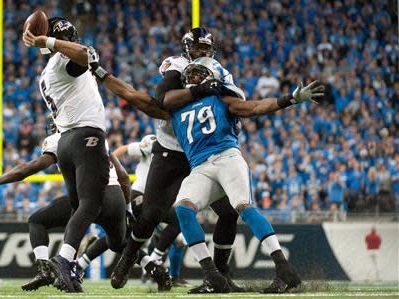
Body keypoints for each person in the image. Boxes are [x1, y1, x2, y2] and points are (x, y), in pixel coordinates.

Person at [162, 57, 323, 293]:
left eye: (198, 73)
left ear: (211, 77)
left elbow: (255, 107)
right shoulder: (175, 105)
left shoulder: (220, 97)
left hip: (227, 157)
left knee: (243, 207)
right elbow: (148, 101)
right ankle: (212, 276)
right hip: (199, 167)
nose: (192, 78)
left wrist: (289, 99)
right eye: (190, 74)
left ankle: (283, 268)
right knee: (183, 209)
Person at [111, 27, 243, 293]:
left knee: (229, 212)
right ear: (186, 49)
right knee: (151, 214)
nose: (202, 54)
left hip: (204, 152)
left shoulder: (218, 69)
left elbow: (238, 98)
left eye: (206, 50)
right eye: (197, 49)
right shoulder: (176, 65)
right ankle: (127, 258)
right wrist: (202, 90)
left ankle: (220, 276)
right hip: (172, 149)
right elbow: (163, 99)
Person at [0, 121, 171, 292]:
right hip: (115, 197)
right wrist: (127, 209)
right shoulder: (97, 135)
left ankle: (47, 269)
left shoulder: (60, 139)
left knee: (37, 220)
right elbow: (124, 177)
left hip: (86, 198)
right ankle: (154, 268)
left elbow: (30, 168)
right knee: (118, 243)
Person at [22, 17, 113, 292]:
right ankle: (63, 259)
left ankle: (67, 265)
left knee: (79, 207)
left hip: (66, 143)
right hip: (85, 136)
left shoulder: (47, 71)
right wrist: (49, 41)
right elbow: (85, 55)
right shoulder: (62, 60)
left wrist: (48, 43)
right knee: (91, 204)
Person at [113, 135, 188, 286]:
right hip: (140, 195)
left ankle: (168, 272)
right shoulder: (154, 142)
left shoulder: (186, 147)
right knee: (124, 237)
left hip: (157, 199)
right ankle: (154, 260)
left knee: (178, 236)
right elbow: (122, 150)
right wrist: (112, 172)